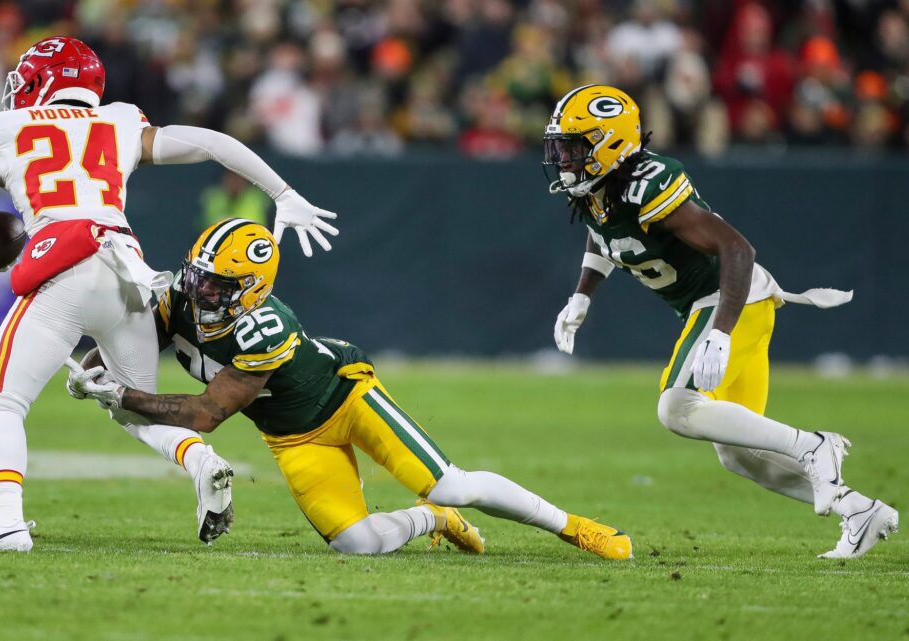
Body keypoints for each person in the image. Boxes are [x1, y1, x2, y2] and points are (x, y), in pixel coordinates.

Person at [0, 36, 338, 552]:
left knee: (2, 401)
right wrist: (284, 193)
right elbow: (213, 141)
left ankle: (6, 522)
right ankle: (200, 461)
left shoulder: (4, 130)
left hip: (64, 266)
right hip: (129, 274)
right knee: (132, 406)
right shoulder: (120, 121)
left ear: (39, 83)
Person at [64, 219, 632, 559]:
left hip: (346, 399)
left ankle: (574, 528)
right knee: (355, 545)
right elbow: (129, 339)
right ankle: (434, 520)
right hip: (293, 437)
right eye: (199, 276)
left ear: (252, 289)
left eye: (217, 285)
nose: (200, 291)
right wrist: (97, 365)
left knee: (451, 483)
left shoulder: (266, 323)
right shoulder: (178, 299)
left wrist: (123, 397)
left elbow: (210, 414)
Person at [544, 84, 898, 559]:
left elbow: (739, 250)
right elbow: (604, 235)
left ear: (610, 143)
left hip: (733, 298)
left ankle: (814, 447)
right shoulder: (598, 190)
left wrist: (720, 331)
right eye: (562, 147)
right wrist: (581, 295)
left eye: (574, 147)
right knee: (738, 454)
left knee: (677, 407)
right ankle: (859, 510)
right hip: (719, 304)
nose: (564, 158)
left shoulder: (648, 181)